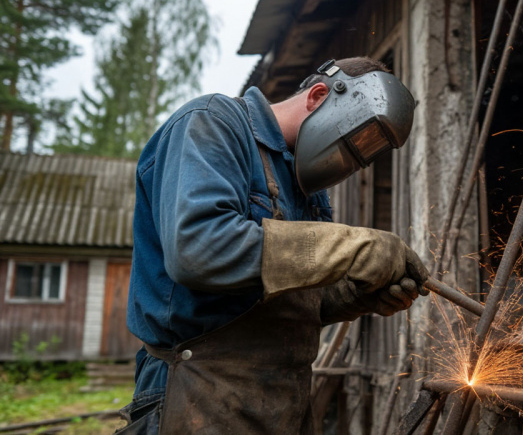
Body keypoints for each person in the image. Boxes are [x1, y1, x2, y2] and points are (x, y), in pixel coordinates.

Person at [118, 57, 428, 434]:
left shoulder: (308, 191)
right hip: (199, 392)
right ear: (317, 96)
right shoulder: (212, 124)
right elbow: (198, 250)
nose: (352, 165)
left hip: (284, 402)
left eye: (365, 157)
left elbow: (289, 299)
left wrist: (357, 295)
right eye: (353, 143)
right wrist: (350, 246)